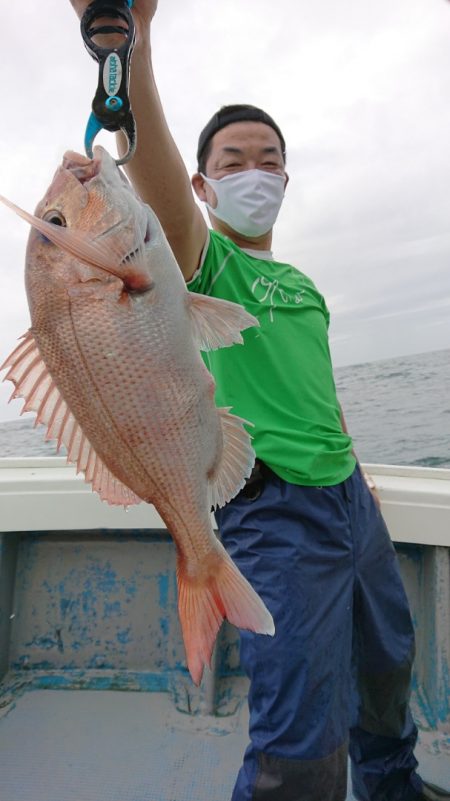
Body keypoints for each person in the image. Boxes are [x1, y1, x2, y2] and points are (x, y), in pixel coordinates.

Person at [70, 3, 450, 800]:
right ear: (206, 186)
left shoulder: (306, 286)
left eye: (270, 158)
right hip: (271, 511)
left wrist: (358, 472)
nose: (257, 171)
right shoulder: (202, 263)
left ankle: (392, 783)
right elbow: (158, 180)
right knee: (299, 732)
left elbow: (320, 386)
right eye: (234, 160)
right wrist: (133, 46)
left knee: (388, 660)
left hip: (350, 499)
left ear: (287, 174)